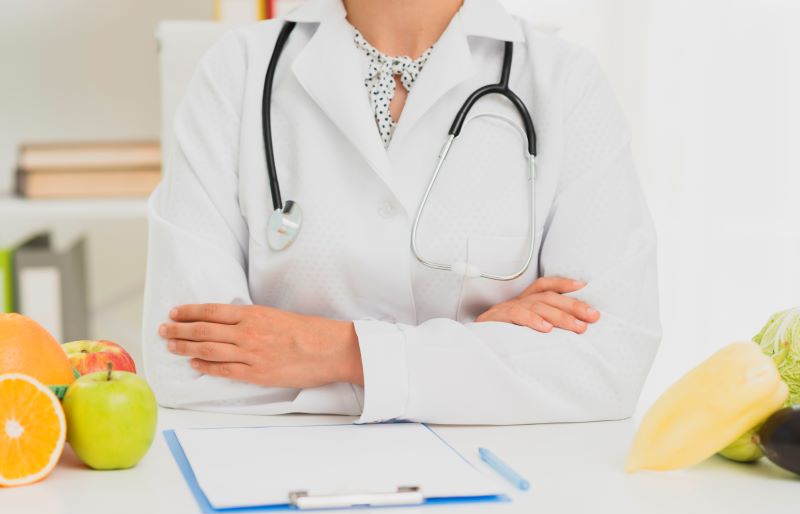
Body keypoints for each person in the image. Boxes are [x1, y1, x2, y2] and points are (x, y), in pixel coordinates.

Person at [143, 0, 661, 424]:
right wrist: (476, 355)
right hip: (281, 483)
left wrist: (333, 350)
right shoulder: (238, 71)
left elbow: (607, 362)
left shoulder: (564, 82)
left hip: (505, 487)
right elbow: (185, 364)